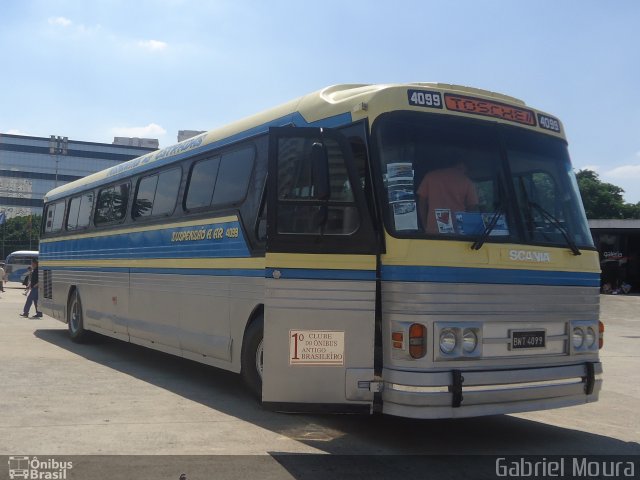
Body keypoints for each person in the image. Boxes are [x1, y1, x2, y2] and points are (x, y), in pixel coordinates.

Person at [417, 160, 479, 234]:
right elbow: (472, 209)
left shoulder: (430, 176)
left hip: (433, 231)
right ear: (461, 165)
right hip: (459, 231)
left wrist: (425, 226)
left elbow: (421, 203)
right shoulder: (467, 181)